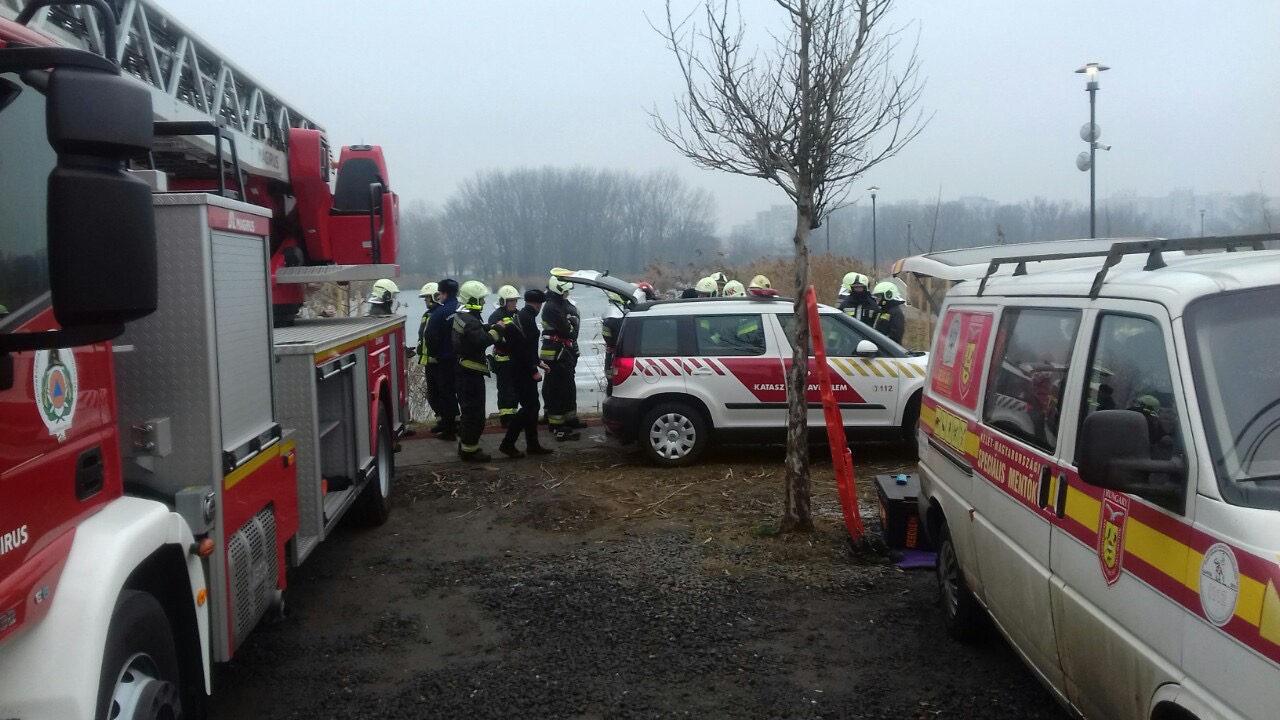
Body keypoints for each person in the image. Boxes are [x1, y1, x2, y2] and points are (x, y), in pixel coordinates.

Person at [453, 280, 504, 461]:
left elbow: (473, 332)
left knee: (468, 411)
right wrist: (497, 331)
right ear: (472, 299)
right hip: (471, 374)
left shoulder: (461, 315)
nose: (483, 302)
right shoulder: (469, 320)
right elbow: (480, 341)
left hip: (463, 372)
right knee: (474, 414)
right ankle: (470, 451)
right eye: (481, 299)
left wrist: (489, 327)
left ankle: (465, 446)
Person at [500, 289, 554, 457]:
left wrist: (538, 362)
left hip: (520, 368)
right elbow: (523, 349)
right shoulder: (527, 320)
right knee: (529, 407)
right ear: (538, 304)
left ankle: (532, 445)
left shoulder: (522, 316)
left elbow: (526, 346)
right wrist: (533, 370)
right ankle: (508, 443)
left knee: (532, 406)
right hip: (522, 370)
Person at [541, 272, 581, 441]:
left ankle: (570, 419)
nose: (567, 294)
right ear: (558, 291)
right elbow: (568, 331)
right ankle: (557, 424)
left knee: (567, 387)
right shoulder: (551, 307)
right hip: (555, 355)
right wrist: (573, 322)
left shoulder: (558, 304)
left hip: (562, 352)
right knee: (557, 389)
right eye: (565, 291)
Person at [425, 278, 460, 440]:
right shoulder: (462, 309)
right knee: (462, 394)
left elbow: (430, 336)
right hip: (462, 360)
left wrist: (436, 354)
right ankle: (462, 425)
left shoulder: (439, 313)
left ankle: (449, 430)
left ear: (443, 293)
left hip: (445, 361)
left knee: (446, 394)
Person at [488, 285, 522, 427]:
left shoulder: (518, 314)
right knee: (505, 390)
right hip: (503, 359)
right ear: (503, 301)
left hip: (517, 359)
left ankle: (514, 415)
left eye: (515, 300)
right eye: (511, 300)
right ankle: (506, 418)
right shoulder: (496, 316)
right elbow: (495, 337)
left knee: (516, 389)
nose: (514, 303)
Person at [416, 282, 441, 430]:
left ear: (434, 297)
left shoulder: (439, 314)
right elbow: (423, 337)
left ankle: (449, 421)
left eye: (427, 297)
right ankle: (441, 420)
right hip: (428, 362)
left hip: (438, 362)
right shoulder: (427, 315)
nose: (425, 300)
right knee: (433, 394)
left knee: (442, 393)